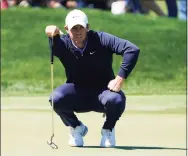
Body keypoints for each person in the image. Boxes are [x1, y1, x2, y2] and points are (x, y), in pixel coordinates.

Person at [45, 9, 140, 147]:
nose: (78, 31)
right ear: (66, 29)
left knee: (116, 99)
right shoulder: (62, 44)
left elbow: (132, 49)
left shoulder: (101, 39)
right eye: (74, 28)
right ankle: (77, 127)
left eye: (81, 27)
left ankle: (108, 129)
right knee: (56, 98)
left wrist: (120, 78)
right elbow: (54, 40)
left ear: (88, 27)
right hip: (77, 93)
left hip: (104, 92)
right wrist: (52, 33)